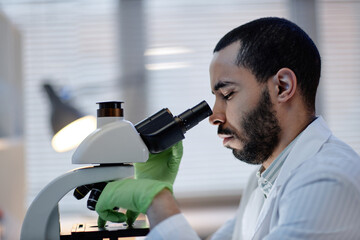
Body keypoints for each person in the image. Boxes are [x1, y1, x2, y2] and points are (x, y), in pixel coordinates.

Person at [80, 17, 360, 239]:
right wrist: (155, 195)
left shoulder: (327, 180)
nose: (215, 116)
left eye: (227, 95)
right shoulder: (265, 179)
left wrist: (159, 201)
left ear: (282, 87)